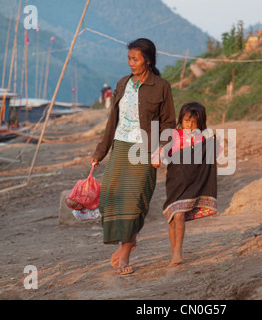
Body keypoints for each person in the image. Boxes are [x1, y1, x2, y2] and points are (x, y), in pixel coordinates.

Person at [91, 38, 176, 275]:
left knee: (134, 202)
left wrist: (162, 149)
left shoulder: (161, 86)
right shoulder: (122, 83)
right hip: (120, 147)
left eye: (135, 58)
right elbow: (112, 122)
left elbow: (169, 121)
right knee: (110, 200)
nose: (130, 63)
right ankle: (130, 240)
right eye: (129, 58)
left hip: (145, 151)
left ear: (148, 60)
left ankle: (125, 254)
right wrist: (100, 152)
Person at [162, 102, 218, 266]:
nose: (190, 126)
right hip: (175, 182)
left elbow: (213, 154)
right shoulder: (174, 135)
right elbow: (165, 153)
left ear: (200, 123)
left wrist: (213, 141)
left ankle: (178, 250)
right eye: (187, 121)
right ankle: (174, 251)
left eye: (194, 123)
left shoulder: (202, 138)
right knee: (172, 217)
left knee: (179, 215)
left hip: (193, 183)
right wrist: (158, 157)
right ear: (181, 120)